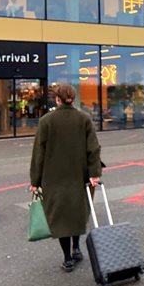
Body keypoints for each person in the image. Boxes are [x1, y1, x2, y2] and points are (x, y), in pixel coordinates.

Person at [29, 84, 101, 272]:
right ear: (73, 97)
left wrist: (35, 181)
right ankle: (77, 248)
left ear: (57, 99)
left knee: (60, 216)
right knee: (76, 212)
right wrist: (94, 173)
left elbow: (39, 153)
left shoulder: (46, 121)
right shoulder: (84, 119)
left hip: (53, 176)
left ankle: (67, 257)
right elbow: (93, 148)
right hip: (80, 173)